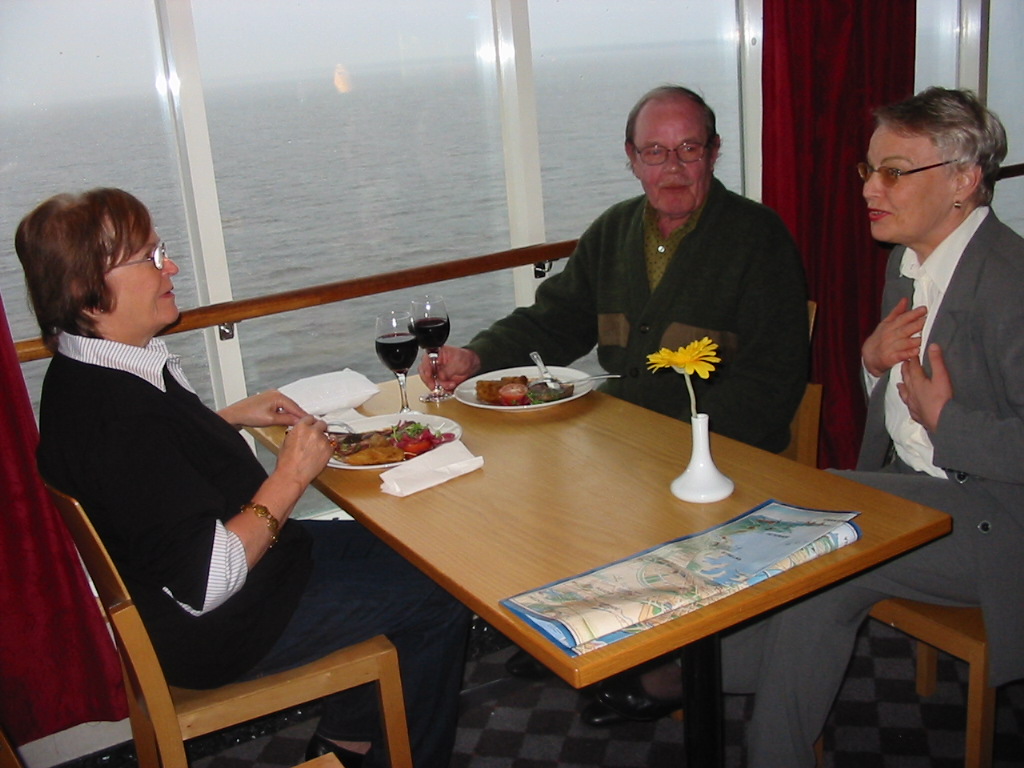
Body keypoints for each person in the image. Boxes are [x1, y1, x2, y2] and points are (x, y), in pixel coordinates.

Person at [17, 188, 470, 768]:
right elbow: (204, 582)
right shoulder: (117, 419)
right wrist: (291, 476)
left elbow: (150, 478)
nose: (171, 268)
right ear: (88, 288)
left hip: (255, 575)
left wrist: (226, 418)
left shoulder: (85, 370)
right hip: (225, 627)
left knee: (419, 548)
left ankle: (345, 743)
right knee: (442, 594)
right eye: (150, 258)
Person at [420, 84, 810, 724]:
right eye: (655, 152)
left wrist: (672, 439)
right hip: (624, 437)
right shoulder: (613, 232)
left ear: (714, 152)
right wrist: (478, 356)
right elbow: (553, 321)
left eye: (688, 149)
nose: (672, 168)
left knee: (586, 478)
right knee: (526, 478)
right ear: (631, 158)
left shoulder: (757, 239)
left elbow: (773, 380)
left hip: (718, 451)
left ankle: (669, 666)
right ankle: (585, 624)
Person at [719, 86, 1024, 766]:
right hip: (918, 487)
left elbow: (954, 425)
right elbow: (898, 412)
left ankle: (682, 672)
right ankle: (711, 689)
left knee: (814, 528)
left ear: (963, 181)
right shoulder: (907, 261)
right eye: (869, 169)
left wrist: (948, 421)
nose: (868, 189)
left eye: (894, 171)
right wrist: (870, 362)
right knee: (813, 565)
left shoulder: (1011, 285)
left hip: (1002, 522)